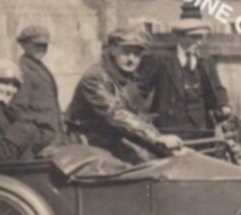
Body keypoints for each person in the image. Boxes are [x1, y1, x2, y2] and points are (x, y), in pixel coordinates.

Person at [65, 28, 185, 163]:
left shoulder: (128, 78)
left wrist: (160, 139)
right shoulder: (95, 78)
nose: (131, 59)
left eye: (137, 54)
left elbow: (136, 116)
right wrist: (155, 138)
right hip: (89, 147)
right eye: (126, 52)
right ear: (113, 50)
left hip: (115, 139)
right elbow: (116, 114)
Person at [138, 20, 233, 138]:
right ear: (180, 37)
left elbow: (217, 88)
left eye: (201, 38)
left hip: (202, 129)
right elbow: (139, 89)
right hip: (170, 130)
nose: (199, 42)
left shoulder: (206, 61)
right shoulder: (160, 59)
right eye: (194, 38)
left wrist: (224, 105)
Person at [13, 23, 63, 150]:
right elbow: (18, 109)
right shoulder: (23, 70)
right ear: (24, 45)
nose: (41, 49)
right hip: (40, 139)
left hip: (52, 135)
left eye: (44, 45)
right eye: (37, 45)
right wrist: (34, 135)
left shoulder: (39, 67)